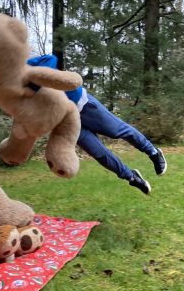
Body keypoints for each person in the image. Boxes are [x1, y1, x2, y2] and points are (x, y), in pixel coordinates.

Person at [27, 54, 167, 194]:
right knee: (99, 153)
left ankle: (153, 152)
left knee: (117, 131)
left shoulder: (28, 66)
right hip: (67, 123)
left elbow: (51, 60)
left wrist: (35, 80)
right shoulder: (13, 90)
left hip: (84, 106)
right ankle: (131, 177)